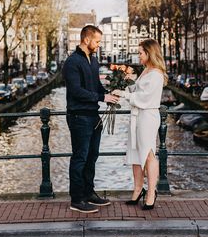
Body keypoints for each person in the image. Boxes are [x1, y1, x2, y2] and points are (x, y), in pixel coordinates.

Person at [62, 25, 119, 214]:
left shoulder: (93, 61)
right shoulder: (72, 62)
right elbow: (76, 91)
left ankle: (88, 192)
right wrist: (102, 98)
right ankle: (76, 199)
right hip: (79, 117)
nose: (98, 45)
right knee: (80, 157)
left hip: (93, 117)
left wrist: (109, 93)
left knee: (92, 157)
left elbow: (95, 86)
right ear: (86, 40)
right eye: (97, 41)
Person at [112, 39, 167, 210]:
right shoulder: (145, 71)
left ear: (149, 53)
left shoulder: (156, 74)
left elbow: (146, 98)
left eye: (140, 53)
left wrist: (124, 94)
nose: (138, 56)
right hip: (137, 116)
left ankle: (151, 192)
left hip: (148, 116)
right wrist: (123, 87)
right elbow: (137, 90)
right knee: (135, 152)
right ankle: (137, 189)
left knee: (148, 153)